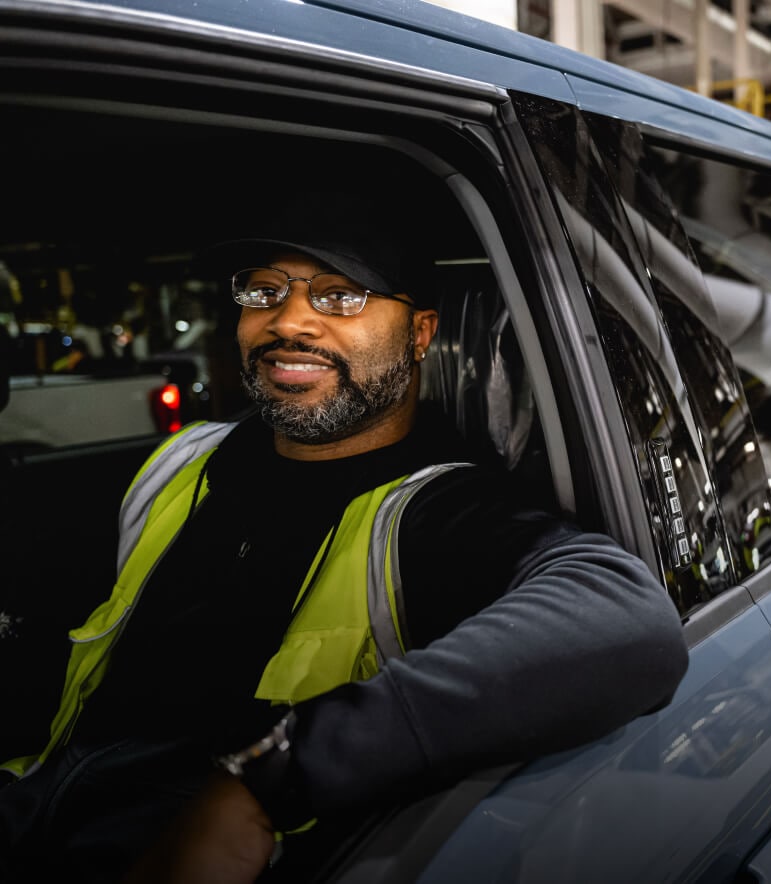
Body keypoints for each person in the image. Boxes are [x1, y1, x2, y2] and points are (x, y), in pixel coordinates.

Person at [0, 220, 690, 883]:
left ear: (420, 333)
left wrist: (271, 776)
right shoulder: (182, 461)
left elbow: (631, 620)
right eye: (264, 291)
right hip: (36, 803)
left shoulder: (442, 515)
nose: (288, 322)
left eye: (339, 294)